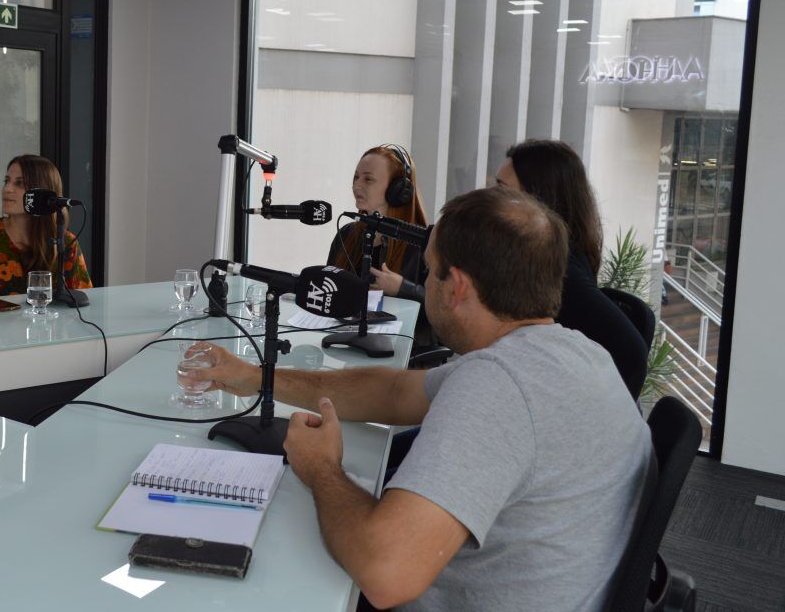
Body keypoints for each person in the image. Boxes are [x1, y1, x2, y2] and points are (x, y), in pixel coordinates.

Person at [189, 186, 651, 611]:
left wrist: (321, 470)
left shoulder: (501, 387)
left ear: (458, 287)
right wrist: (256, 377)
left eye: (430, 271)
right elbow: (393, 391)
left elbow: (384, 573)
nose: (424, 282)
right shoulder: (575, 352)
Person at [496, 139, 649, 400]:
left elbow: (630, 351)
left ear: (538, 201)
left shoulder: (562, 273)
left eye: (502, 191)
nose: (491, 199)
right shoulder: (550, 257)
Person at [0, 154, 92, 300]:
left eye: (19, 183)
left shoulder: (65, 242)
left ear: (43, 194)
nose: (7, 189)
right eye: (7, 181)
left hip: (46, 326)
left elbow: (82, 305)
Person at [328, 144, 428, 302]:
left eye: (368, 179)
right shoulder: (346, 235)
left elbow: (444, 309)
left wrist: (404, 289)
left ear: (398, 190)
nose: (356, 185)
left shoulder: (424, 245)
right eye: (356, 177)